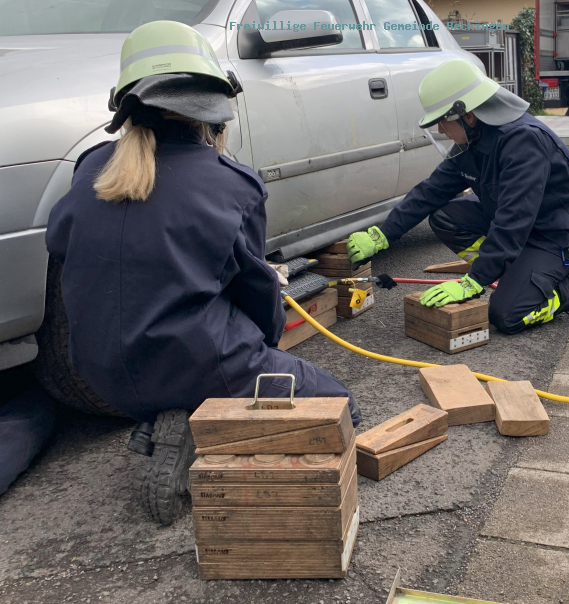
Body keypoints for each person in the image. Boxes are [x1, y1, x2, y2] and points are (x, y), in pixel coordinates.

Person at [45, 21, 360, 526]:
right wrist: (265, 343)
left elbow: (60, 245)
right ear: (213, 110)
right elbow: (255, 298)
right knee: (341, 404)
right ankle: (200, 422)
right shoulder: (231, 183)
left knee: (186, 356)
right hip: (196, 362)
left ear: (126, 103)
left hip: (99, 370)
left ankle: (165, 418)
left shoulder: (91, 168)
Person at [346, 59, 569, 334]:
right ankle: (512, 271)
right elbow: (431, 190)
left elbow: (513, 221)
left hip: (557, 236)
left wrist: (474, 281)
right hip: (521, 225)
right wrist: (382, 234)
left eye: (443, 121)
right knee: (444, 217)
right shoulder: (474, 141)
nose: (440, 130)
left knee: (508, 315)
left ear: (468, 115)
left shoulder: (524, 143)